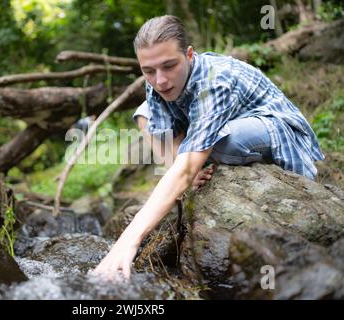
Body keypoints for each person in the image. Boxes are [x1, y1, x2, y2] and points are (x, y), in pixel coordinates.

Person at [93, 15, 324, 280]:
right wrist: (177, 169)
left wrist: (128, 241)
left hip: (277, 130)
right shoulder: (157, 81)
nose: (160, 80)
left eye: (169, 66)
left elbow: (187, 166)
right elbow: (158, 125)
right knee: (144, 113)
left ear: (189, 55)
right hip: (221, 127)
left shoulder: (214, 82)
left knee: (224, 142)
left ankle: (193, 159)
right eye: (149, 71)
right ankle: (188, 163)